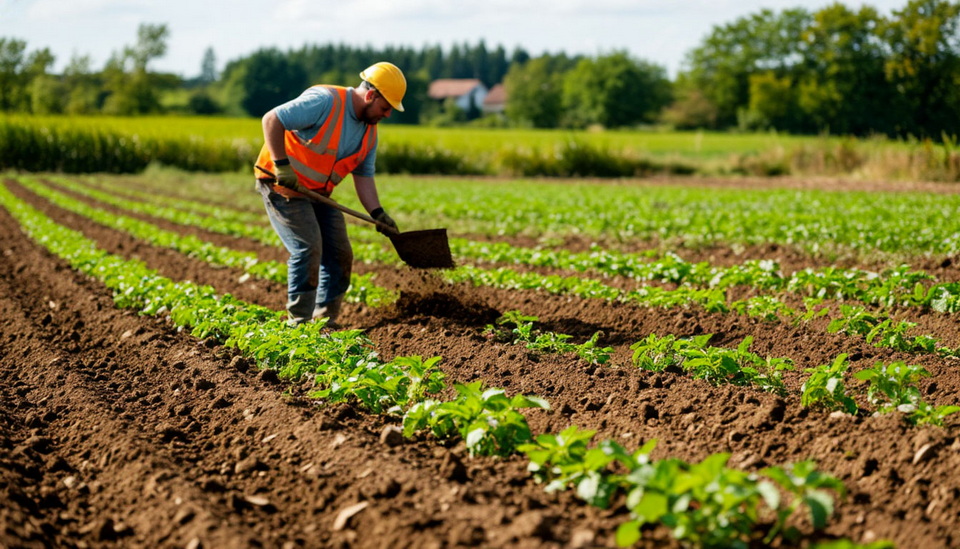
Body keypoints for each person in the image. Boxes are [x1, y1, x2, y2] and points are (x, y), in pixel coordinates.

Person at [254, 62, 404, 327]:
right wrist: (282, 166)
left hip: (317, 192)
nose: (388, 114)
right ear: (370, 95)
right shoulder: (325, 101)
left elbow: (364, 176)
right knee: (308, 247)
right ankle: (299, 322)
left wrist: (378, 213)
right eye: (385, 107)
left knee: (340, 253)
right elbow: (272, 119)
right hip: (283, 186)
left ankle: (325, 320)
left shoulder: (369, 132)